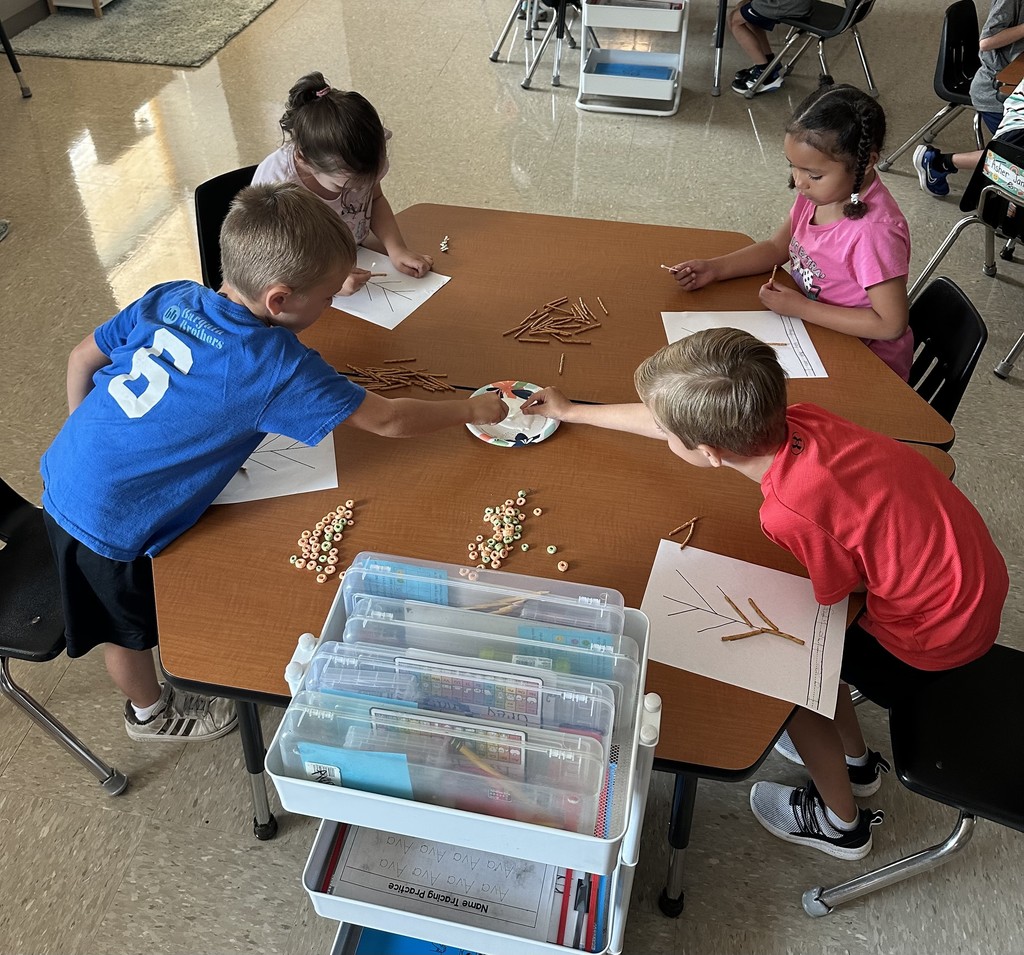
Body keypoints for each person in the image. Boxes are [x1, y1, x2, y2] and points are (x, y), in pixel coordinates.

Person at [40, 182, 506, 744]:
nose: (335, 301)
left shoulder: (172, 297)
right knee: (125, 630)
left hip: (64, 467)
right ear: (280, 301)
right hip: (110, 520)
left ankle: (145, 692)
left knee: (117, 605)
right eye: (331, 294)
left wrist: (94, 442)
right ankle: (150, 711)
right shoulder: (272, 363)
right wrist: (471, 408)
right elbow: (388, 422)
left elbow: (81, 357)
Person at [521, 327, 1009, 860]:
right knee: (797, 648)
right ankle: (857, 761)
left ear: (708, 453)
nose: (663, 436)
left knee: (787, 678)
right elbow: (673, 421)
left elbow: (833, 598)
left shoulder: (788, 510)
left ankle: (843, 824)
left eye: (668, 436)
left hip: (934, 635)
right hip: (969, 586)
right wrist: (572, 410)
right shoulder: (805, 418)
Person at [669, 80, 914, 381]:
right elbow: (776, 247)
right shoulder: (820, 194)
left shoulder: (874, 233)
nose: (799, 182)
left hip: (866, 364)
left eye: (813, 174)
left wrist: (801, 308)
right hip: (814, 334)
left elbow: (890, 325)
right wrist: (715, 269)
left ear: (866, 163)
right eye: (793, 167)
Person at [253, 71, 433, 298]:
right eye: (345, 186)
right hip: (304, 280)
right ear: (305, 160)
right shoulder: (279, 188)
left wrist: (397, 249)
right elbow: (273, 260)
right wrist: (328, 282)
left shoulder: (363, 155)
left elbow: (375, 200)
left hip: (352, 254)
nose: (359, 191)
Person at [915, 71, 1024, 198]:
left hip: (1010, 111)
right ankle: (940, 163)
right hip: (998, 102)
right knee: (1007, 158)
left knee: (1005, 158)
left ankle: (941, 163)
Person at [729, 0, 813, 95]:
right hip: (798, 3)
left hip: (787, 4)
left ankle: (765, 76)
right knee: (744, 10)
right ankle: (769, 65)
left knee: (734, 21)